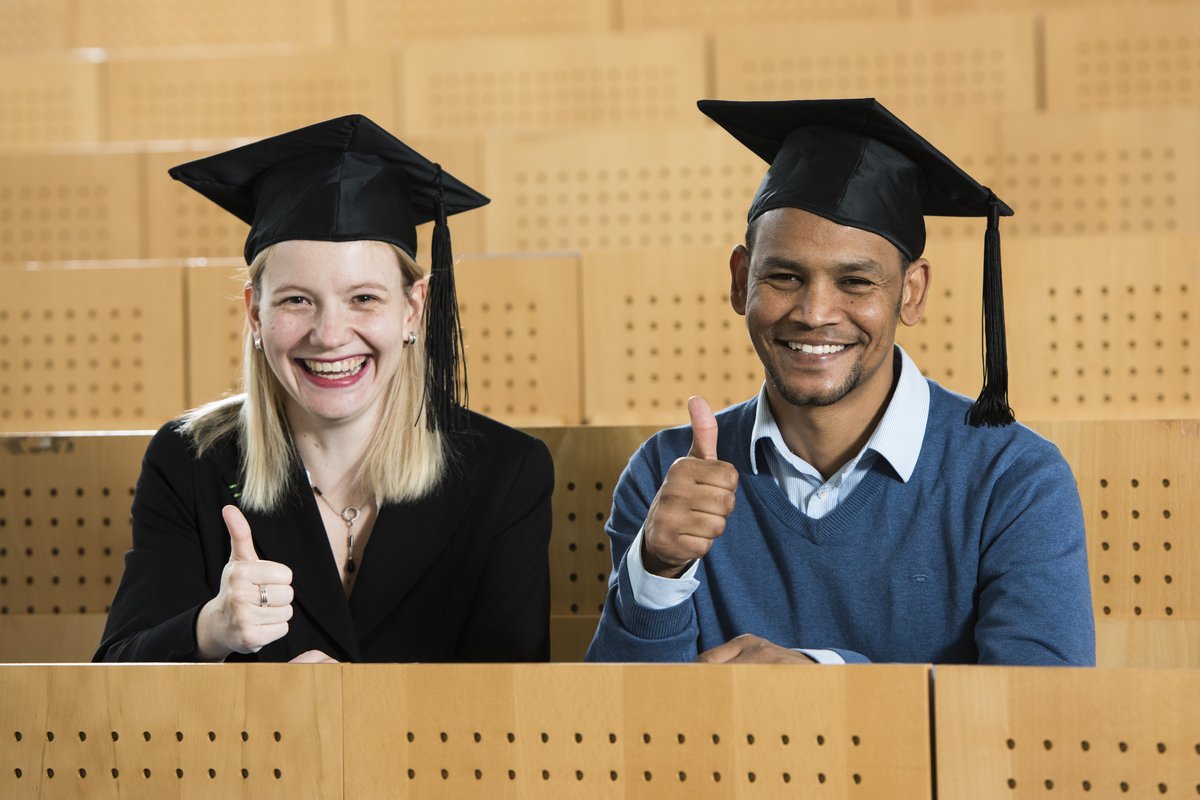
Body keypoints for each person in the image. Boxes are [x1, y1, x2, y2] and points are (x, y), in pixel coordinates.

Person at [585, 98, 1095, 666]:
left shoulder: (1013, 478)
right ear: (739, 280)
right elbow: (629, 732)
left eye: (855, 282)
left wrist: (829, 683)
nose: (814, 312)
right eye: (783, 276)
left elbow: (1036, 719)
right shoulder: (668, 475)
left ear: (912, 292)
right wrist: (656, 570)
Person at [95, 115, 553, 663]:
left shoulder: (505, 472)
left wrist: (350, 711)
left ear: (413, 309)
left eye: (364, 298)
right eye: (295, 300)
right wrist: (209, 629)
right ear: (255, 315)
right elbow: (116, 679)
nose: (330, 336)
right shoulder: (193, 460)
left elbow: (513, 709)